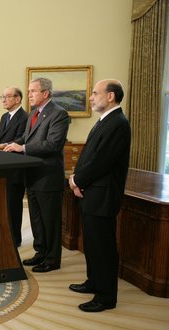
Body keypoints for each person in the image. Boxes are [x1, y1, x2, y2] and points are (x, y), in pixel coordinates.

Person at [68, 80, 131, 312]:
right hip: (91, 193)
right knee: (92, 245)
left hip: (102, 195)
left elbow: (102, 162)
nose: (91, 98)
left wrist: (76, 180)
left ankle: (105, 297)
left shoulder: (118, 123)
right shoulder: (105, 121)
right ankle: (93, 282)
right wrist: (77, 179)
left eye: (95, 93)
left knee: (103, 248)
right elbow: (89, 157)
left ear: (111, 96)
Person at [4, 77, 69, 273]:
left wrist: (21, 147)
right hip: (32, 175)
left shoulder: (59, 114)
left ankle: (52, 259)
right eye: (29, 91)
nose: (29, 94)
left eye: (33, 91)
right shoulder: (34, 113)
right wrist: (9, 144)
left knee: (50, 220)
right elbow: (26, 137)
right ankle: (41, 252)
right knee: (37, 219)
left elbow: (53, 144)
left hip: (48, 176)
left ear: (45, 93)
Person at [0, 87, 29, 247]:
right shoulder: (4, 116)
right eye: (2, 97)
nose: (3, 100)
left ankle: (15, 239)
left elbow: (22, 139)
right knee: (2, 205)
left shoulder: (25, 117)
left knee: (13, 205)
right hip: (1, 168)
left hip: (15, 168)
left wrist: (3, 145)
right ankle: (4, 235)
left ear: (18, 99)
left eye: (7, 97)